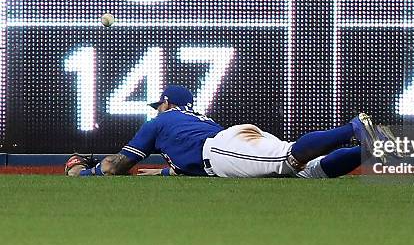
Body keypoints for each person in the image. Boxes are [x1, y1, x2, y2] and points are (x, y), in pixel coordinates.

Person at [65, 85, 392, 178]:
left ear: (166, 103)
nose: (156, 109)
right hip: (231, 143)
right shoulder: (196, 121)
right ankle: (370, 149)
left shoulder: (161, 121)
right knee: (311, 172)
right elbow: (174, 167)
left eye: (158, 104)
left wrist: (86, 171)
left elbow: (118, 165)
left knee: (287, 157)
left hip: (221, 151)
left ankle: (353, 128)